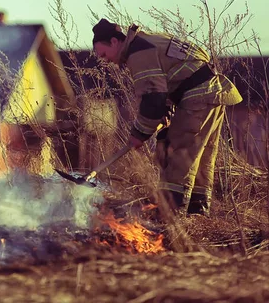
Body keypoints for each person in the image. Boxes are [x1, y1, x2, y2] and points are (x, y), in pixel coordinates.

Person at [91, 18, 242, 217]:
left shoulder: (139, 52)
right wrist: (166, 112)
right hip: (213, 93)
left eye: (103, 54)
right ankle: (197, 216)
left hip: (197, 99)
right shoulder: (150, 40)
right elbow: (171, 80)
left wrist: (139, 133)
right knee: (201, 158)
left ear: (114, 42)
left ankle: (172, 219)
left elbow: (153, 99)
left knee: (179, 157)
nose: (105, 60)